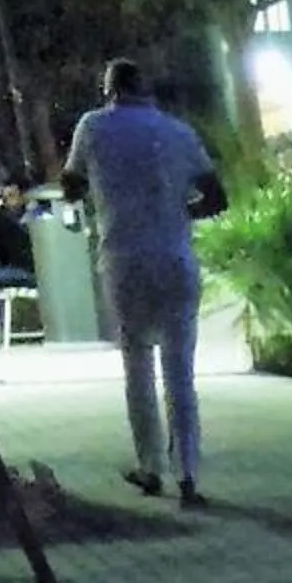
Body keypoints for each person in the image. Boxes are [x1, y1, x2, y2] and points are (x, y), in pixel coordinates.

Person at [61, 59, 227, 507]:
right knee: (181, 372)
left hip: (123, 258)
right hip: (175, 257)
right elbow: (216, 196)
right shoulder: (177, 131)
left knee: (136, 365)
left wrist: (100, 195)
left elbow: (70, 185)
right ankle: (188, 476)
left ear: (109, 90)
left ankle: (150, 468)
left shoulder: (93, 127)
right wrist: (174, 214)